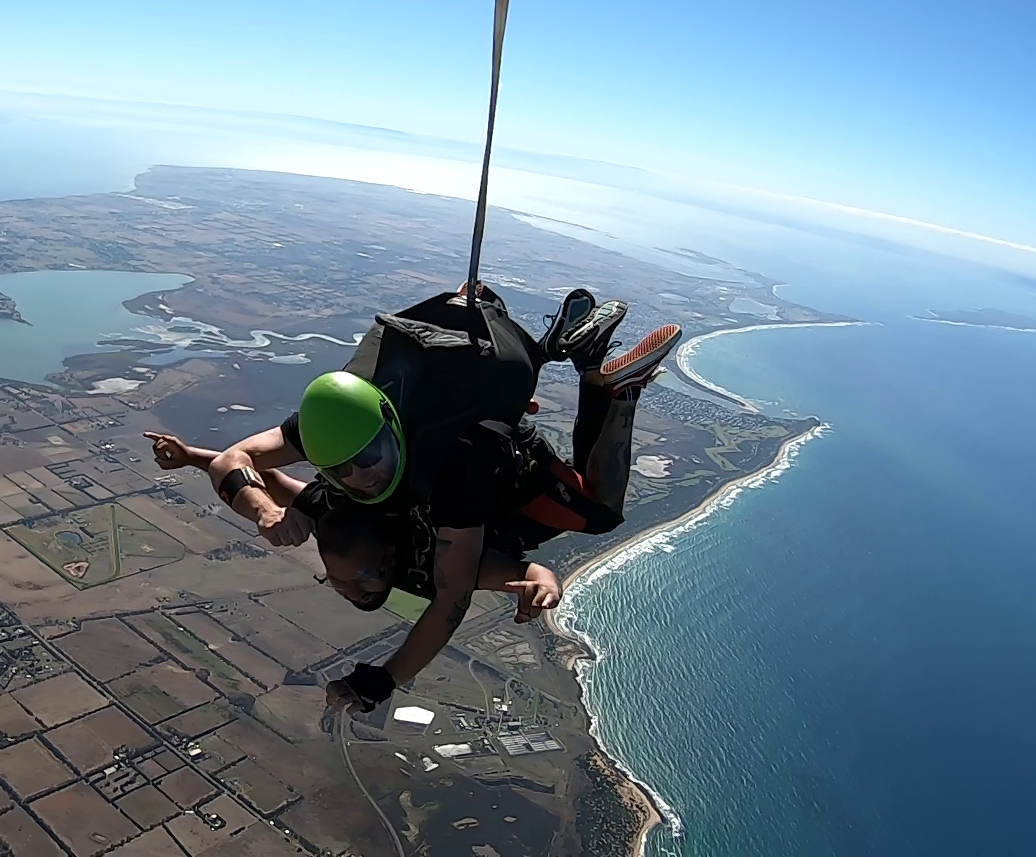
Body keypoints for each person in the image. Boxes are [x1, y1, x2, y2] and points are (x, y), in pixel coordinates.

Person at [184, 284, 682, 714]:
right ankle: (521, 328)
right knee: (592, 510)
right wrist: (263, 508)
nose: (360, 476)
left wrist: (264, 509)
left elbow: (452, 599)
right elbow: (237, 461)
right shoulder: (333, 437)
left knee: (600, 512)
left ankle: (613, 391)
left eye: (368, 456)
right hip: (486, 459)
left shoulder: (413, 467)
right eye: (339, 469)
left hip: (489, 465)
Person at [146, 431, 565, 623]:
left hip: (389, 436)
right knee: (594, 512)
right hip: (465, 458)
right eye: (364, 582)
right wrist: (543, 584)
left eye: (338, 583)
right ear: (387, 563)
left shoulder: (322, 516)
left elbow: (252, 473)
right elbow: (526, 573)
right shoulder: (427, 563)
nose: (347, 583)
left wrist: (194, 459)